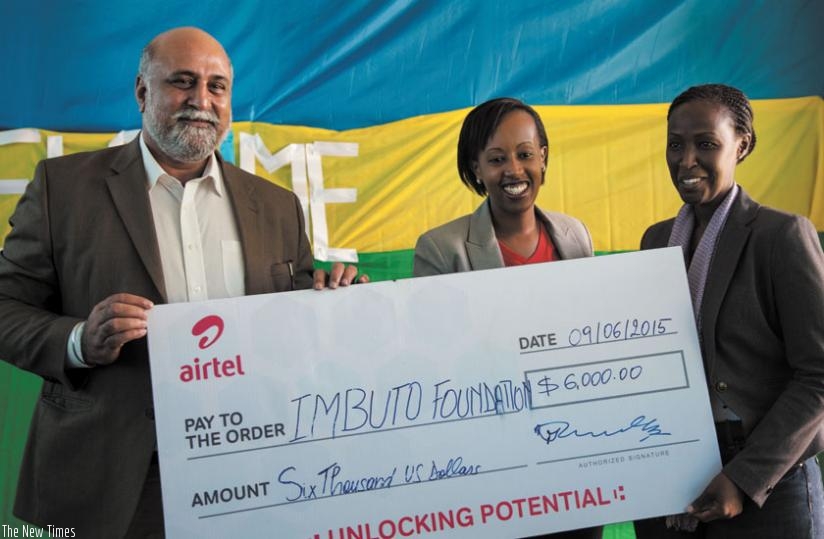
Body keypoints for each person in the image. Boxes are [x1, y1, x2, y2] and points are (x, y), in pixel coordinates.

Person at [0, 27, 363, 538]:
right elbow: (6, 306)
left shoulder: (277, 206)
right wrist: (80, 341)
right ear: (142, 92)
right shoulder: (64, 189)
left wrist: (333, 303)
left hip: (256, 468)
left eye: (217, 86)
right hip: (111, 476)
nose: (202, 100)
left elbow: (292, 329)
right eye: (183, 81)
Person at [633, 84, 824, 538]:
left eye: (706, 144)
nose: (686, 160)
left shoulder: (780, 236)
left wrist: (745, 477)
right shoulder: (655, 241)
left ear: (742, 145)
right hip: (670, 480)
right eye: (675, 145)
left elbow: (819, 373)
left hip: (767, 484)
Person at [414, 97, 600, 539]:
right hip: (492, 468)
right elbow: (434, 363)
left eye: (525, 154)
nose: (514, 170)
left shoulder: (575, 235)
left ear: (543, 157)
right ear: (476, 169)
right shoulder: (441, 249)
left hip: (574, 464)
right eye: (497, 159)